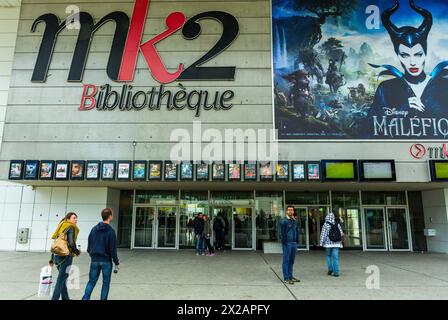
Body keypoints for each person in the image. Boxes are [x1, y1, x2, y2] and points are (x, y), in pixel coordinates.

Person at [82, 208, 120, 300]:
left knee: (91, 282)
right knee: (106, 283)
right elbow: (113, 249)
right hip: (106, 261)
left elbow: (89, 244)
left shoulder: (94, 229)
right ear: (110, 216)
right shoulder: (111, 231)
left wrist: (92, 254)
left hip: (94, 260)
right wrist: (116, 262)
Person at [50, 212, 81, 300]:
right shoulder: (71, 227)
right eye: (74, 218)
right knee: (60, 280)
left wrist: (51, 259)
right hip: (66, 256)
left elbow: (56, 241)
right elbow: (71, 243)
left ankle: (65, 298)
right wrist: (77, 251)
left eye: (76, 218)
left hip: (57, 256)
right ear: (69, 218)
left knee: (63, 278)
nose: (76, 220)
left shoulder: (61, 225)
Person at [319, 208, 344, 277]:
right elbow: (341, 234)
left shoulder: (325, 224)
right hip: (337, 243)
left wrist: (321, 243)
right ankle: (336, 272)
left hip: (328, 244)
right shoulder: (337, 224)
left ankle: (330, 269)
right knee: (335, 258)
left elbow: (323, 234)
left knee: (328, 256)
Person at [280, 206, 300, 285]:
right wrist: (284, 241)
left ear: (293, 211)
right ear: (286, 212)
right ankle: (286, 277)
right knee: (286, 260)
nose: (290, 211)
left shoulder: (294, 220)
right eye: (289, 210)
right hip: (287, 243)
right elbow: (281, 232)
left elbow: (296, 230)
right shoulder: (283, 221)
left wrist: (297, 240)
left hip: (294, 243)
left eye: (291, 210)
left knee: (291, 260)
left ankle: (290, 276)